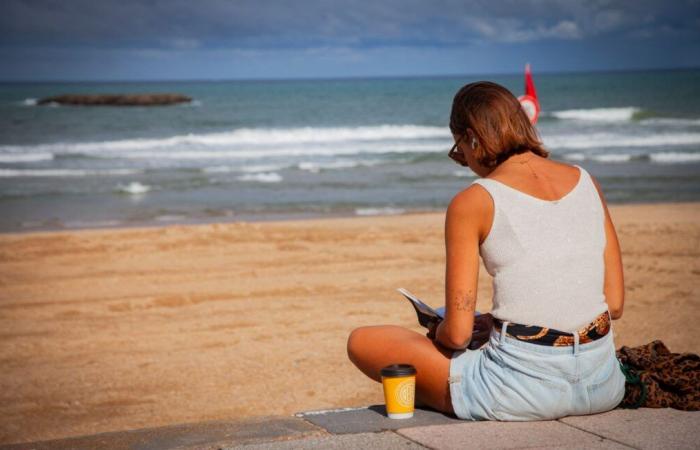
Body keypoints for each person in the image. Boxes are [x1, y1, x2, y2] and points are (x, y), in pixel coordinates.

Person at [346, 81, 627, 420]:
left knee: (363, 341)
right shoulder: (586, 181)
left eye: (459, 149)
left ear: (472, 137)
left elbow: (459, 334)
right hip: (603, 384)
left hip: (517, 391)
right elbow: (613, 303)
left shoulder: (475, 200)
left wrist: (440, 330)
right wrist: (497, 322)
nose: (463, 159)